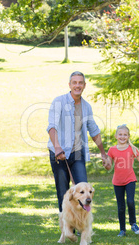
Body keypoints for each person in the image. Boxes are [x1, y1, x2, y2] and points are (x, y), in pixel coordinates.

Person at [47, 71, 111, 214]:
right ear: (69, 85)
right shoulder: (59, 102)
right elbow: (52, 126)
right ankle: (68, 230)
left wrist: (103, 154)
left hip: (77, 154)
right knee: (64, 194)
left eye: (80, 83)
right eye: (74, 82)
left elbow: (94, 130)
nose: (77, 85)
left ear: (84, 86)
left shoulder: (86, 107)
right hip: (59, 154)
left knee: (84, 192)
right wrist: (57, 148)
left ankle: (83, 228)